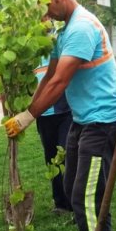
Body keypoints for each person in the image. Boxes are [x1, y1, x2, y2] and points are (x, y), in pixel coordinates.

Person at [4, 0, 116, 231]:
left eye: (45, 4)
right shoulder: (65, 29)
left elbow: (60, 82)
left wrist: (28, 117)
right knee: (72, 188)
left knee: (86, 196)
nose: (44, 13)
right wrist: (26, 110)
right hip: (84, 120)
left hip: (101, 122)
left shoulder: (81, 28)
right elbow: (48, 77)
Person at [34, 53, 73, 215]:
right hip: (43, 115)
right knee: (51, 159)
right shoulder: (32, 57)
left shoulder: (59, 52)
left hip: (65, 112)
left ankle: (73, 201)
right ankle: (60, 203)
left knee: (66, 154)